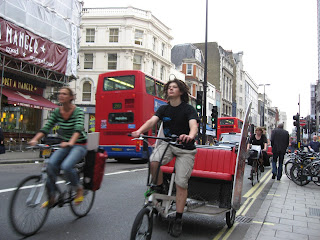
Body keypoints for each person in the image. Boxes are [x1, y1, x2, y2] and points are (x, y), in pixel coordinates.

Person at [131, 78, 198, 238]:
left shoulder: (188, 109)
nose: (170, 89)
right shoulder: (163, 109)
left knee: (181, 183)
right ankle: (159, 187)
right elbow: (151, 121)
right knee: (154, 160)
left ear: (181, 91)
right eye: (169, 87)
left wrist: (189, 136)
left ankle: (178, 219)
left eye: (174, 87)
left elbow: (193, 126)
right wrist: (139, 131)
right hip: (168, 144)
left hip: (185, 149)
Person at [29, 87, 87, 207]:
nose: (61, 95)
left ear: (71, 97)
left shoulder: (78, 111)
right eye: (59, 93)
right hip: (65, 144)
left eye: (64, 94)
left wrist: (71, 142)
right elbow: (47, 127)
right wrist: (35, 139)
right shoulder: (57, 112)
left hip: (79, 145)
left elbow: (78, 128)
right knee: (50, 165)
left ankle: (78, 188)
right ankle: (52, 196)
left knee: (66, 166)